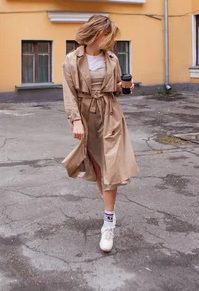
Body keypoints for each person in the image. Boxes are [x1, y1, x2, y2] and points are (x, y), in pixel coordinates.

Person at [61, 15, 139, 252]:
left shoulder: (113, 59)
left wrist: (123, 87)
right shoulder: (72, 60)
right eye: (108, 36)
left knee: (110, 169)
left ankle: (108, 223)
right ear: (97, 34)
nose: (111, 41)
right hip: (85, 117)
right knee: (97, 168)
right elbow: (68, 93)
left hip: (110, 115)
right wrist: (75, 120)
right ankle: (109, 211)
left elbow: (114, 88)